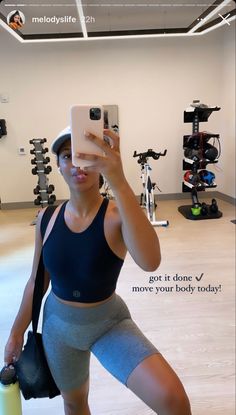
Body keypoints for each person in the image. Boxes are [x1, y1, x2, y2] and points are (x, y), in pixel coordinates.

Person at [4, 126, 191, 415]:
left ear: (102, 161)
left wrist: (118, 179)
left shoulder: (117, 215)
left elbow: (151, 261)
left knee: (173, 400)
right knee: (74, 403)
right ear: (58, 164)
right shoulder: (46, 218)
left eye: (87, 156)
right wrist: (16, 332)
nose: (78, 164)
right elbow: (36, 282)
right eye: (68, 156)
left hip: (108, 324)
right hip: (58, 328)